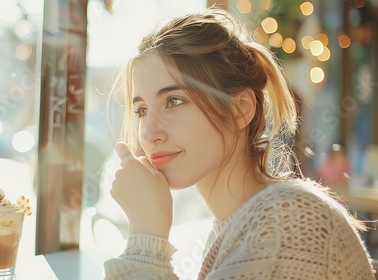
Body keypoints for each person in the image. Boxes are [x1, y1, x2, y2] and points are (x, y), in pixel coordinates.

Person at [103, 8, 375, 280]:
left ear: (240, 110)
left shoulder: (288, 224)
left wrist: (147, 237)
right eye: (141, 110)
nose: (149, 133)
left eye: (174, 101)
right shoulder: (239, 225)